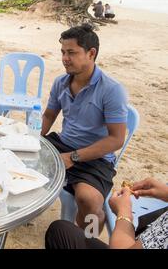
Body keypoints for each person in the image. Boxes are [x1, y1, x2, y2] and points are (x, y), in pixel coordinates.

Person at [42, 24, 128, 232]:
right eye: (63, 52)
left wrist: (74, 157)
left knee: (87, 199)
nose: (65, 58)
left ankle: (86, 239)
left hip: (94, 156)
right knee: (16, 161)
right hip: (62, 144)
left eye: (71, 52)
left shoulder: (111, 90)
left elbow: (116, 139)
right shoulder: (61, 82)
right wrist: (33, 139)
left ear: (91, 53)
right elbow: (49, 115)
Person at [45, 177, 168, 249]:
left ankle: (91, 233)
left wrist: (124, 213)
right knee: (60, 229)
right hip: (69, 153)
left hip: (94, 163)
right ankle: (89, 235)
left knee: (89, 199)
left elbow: (116, 140)